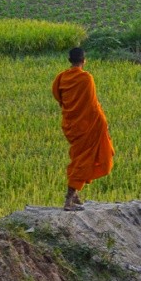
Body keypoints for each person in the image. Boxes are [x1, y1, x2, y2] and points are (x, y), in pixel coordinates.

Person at [51, 47, 114, 211]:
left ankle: (75, 194)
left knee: (79, 157)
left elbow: (58, 97)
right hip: (89, 124)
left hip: (72, 125)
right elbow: (92, 104)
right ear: (84, 60)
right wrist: (103, 122)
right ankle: (69, 200)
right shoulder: (86, 78)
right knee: (83, 161)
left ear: (69, 60)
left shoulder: (61, 77)